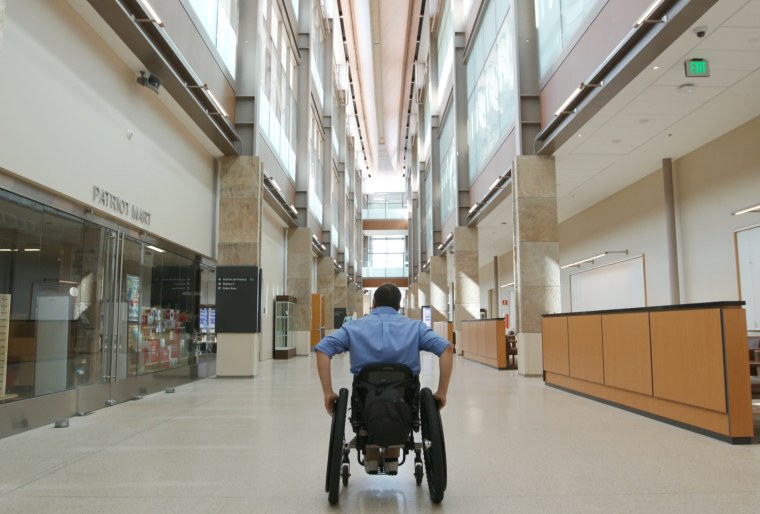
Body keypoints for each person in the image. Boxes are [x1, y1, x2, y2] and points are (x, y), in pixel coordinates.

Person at [315, 283, 453, 416]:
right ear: (398, 305)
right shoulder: (416, 327)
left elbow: (323, 349)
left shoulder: (352, 327)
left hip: (365, 398)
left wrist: (328, 393)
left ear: (374, 303)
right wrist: (441, 393)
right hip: (406, 397)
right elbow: (446, 349)